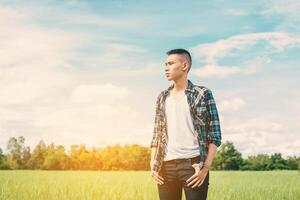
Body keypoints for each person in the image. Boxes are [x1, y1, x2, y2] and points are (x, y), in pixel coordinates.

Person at [150, 48, 222, 200]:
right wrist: (153, 164)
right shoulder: (162, 97)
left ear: (184, 65)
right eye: (165, 64)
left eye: (170, 63)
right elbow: (157, 135)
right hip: (166, 167)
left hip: (194, 166)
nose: (166, 68)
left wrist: (205, 168)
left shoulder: (202, 94)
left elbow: (215, 135)